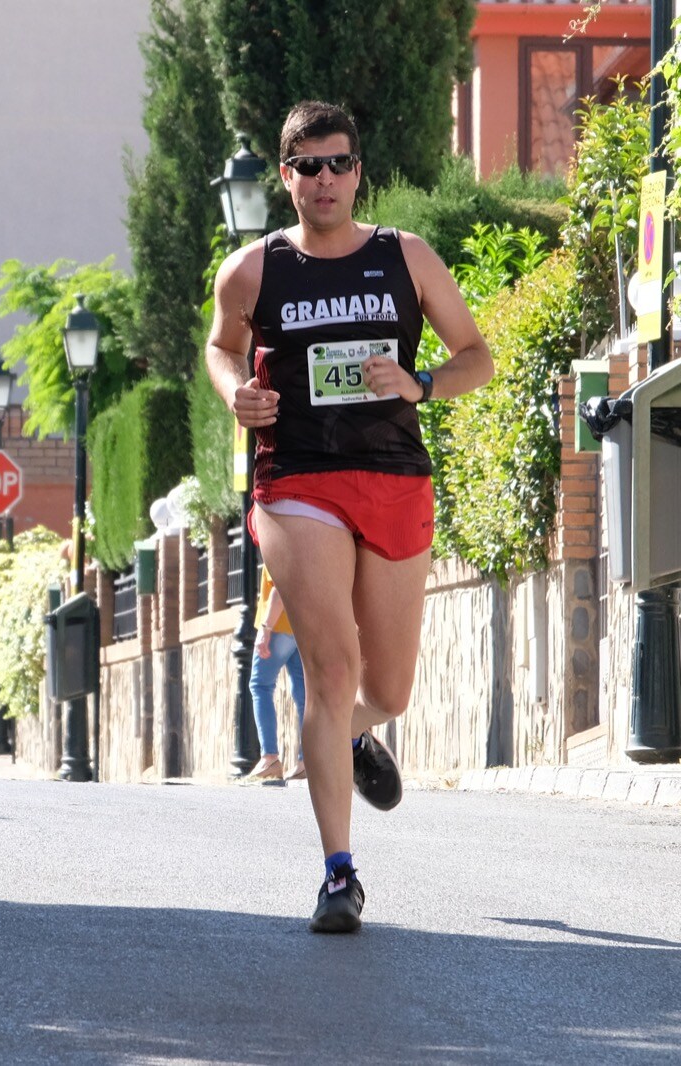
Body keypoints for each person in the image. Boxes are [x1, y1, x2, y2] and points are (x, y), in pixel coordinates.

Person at [205, 101, 492, 933]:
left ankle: (351, 737)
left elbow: (477, 356)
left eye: (339, 163)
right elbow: (222, 348)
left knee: (388, 690)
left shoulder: (405, 256)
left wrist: (423, 383)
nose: (324, 179)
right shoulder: (254, 270)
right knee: (330, 672)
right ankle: (339, 874)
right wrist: (239, 394)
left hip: (395, 475)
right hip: (298, 479)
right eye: (308, 166)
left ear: (359, 171)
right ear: (285, 177)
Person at [246, 565, 306, 782]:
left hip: (280, 626)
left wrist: (265, 628)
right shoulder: (305, 537)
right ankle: (305, 761)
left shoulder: (277, 534)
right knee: (302, 693)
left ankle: (269, 757)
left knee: (260, 686)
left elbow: (279, 589)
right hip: (301, 625)